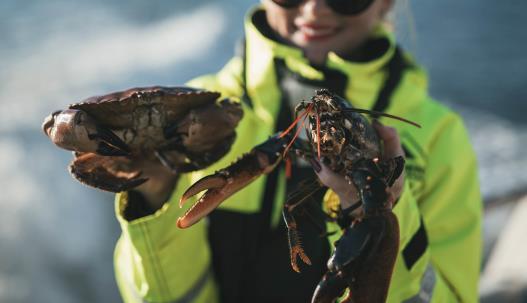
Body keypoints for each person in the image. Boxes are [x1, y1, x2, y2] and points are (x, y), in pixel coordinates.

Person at [112, 0, 482, 302]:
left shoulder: (440, 138)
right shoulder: (198, 114)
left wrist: (385, 210)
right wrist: (155, 196)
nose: (315, 9)